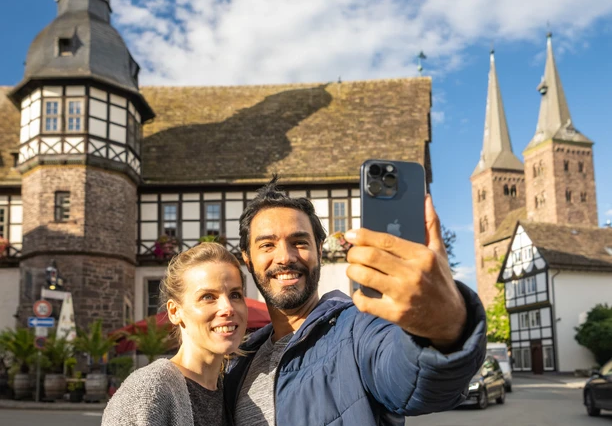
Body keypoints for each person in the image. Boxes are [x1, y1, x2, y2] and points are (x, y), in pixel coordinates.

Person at [224, 177, 487, 425]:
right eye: (267, 245)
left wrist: (444, 327)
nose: (285, 257)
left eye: (300, 242)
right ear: (247, 259)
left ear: (320, 250)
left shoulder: (358, 329)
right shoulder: (239, 361)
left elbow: (415, 381)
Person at [103, 242, 247, 426]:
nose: (227, 308)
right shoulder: (149, 390)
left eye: (235, 295)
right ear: (174, 311)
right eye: (208, 297)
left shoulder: (232, 392)